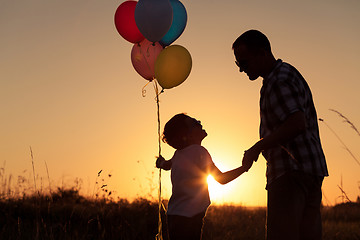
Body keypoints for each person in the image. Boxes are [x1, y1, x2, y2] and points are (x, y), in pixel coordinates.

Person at [232, 29, 329, 240]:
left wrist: (257, 147)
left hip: (290, 172)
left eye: (244, 63)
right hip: (310, 169)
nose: (241, 70)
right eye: (238, 64)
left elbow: (296, 124)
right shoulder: (286, 74)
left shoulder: (278, 81)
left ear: (263, 53)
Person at [156, 113, 250, 240]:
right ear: (187, 135)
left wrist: (160, 162)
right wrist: (244, 168)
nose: (199, 122)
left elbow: (167, 165)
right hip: (190, 216)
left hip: (173, 214)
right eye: (194, 123)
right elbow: (221, 179)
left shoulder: (178, 154)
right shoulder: (200, 151)